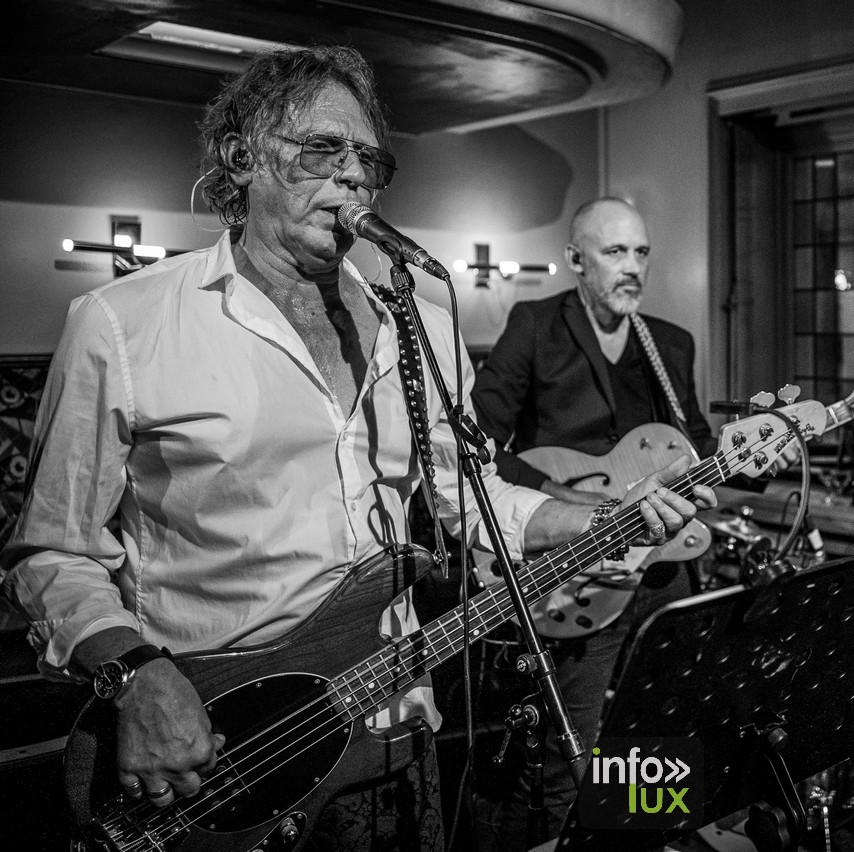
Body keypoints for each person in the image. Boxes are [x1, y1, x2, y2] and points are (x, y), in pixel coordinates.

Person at [0, 49, 711, 851]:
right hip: (224, 743)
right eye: (322, 149)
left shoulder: (421, 329)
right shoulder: (122, 323)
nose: (352, 176)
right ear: (242, 157)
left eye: (369, 160)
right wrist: (135, 675)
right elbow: (52, 551)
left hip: (391, 728)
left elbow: (468, 494)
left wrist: (591, 521)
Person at [470, 197, 721, 848]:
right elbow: (477, 444)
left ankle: (640, 839)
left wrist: (747, 454)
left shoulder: (670, 342)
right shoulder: (536, 325)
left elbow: (694, 444)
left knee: (659, 740)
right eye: (615, 252)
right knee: (571, 752)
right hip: (575, 569)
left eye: (641, 252)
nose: (632, 266)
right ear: (576, 259)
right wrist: (569, 502)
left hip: (660, 568)